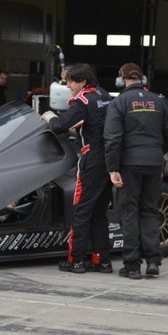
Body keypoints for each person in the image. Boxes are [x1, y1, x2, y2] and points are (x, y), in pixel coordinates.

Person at [104, 62, 168, 279]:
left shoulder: (118, 103)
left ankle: (132, 265)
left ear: (121, 80)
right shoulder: (159, 101)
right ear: (143, 80)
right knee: (149, 211)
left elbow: (113, 139)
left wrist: (112, 168)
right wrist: (157, 151)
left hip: (129, 165)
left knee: (129, 212)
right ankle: (153, 261)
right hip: (154, 163)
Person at [42, 63, 113, 274]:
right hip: (110, 159)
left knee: (81, 211)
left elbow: (59, 126)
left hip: (91, 159)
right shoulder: (104, 95)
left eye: (70, 81)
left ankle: (77, 260)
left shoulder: (83, 100)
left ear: (82, 81)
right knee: (99, 212)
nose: (68, 86)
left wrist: (49, 116)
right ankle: (102, 260)